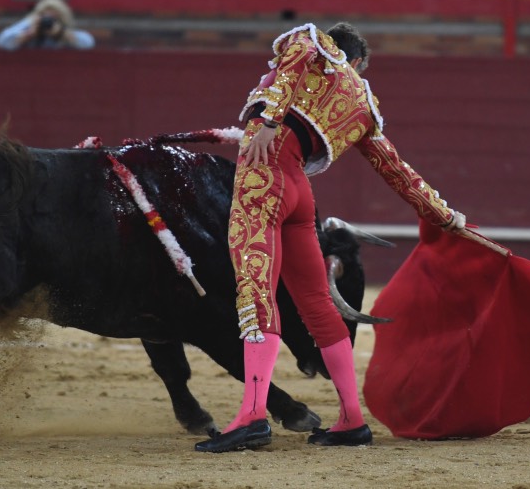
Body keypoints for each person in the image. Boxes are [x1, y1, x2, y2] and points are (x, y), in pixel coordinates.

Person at [194, 22, 467, 453]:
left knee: (256, 292)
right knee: (318, 304)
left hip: (263, 179)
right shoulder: (363, 107)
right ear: (357, 59)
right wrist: (445, 215)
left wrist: (269, 118)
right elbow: (399, 173)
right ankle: (351, 419)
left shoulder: (311, 42)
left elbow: (297, 56)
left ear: (343, 54)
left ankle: (253, 415)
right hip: (300, 192)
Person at [0, 0, 95, 51]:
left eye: (54, 17)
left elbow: (88, 44)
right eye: (45, 16)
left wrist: (61, 33)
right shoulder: (31, 25)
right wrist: (28, 33)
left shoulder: (65, 30)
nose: (48, 22)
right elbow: (2, 42)